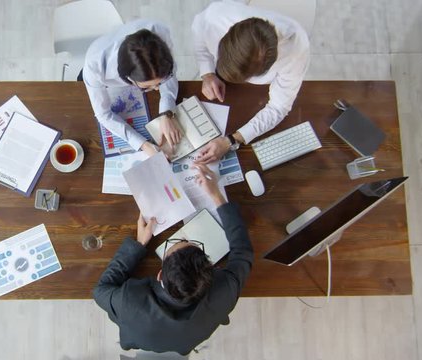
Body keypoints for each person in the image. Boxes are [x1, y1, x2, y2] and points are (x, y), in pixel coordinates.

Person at [93, 165, 254, 355]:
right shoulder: (224, 293)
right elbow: (243, 252)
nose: (184, 239)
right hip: (187, 339)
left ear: (160, 274)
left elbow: (100, 290)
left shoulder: (129, 301)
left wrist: (138, 244)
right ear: (210, 268)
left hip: (140, 337)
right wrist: (217, 196)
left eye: (179, 242)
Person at [191, 0, 310, 164]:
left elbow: (278, 107)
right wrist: (208, 73)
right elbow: (199, 34)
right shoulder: (217, 14)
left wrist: (232, 140)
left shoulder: (296, 52)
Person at [82, 19, 182, 157]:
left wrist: (166, 113)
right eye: (148, 86)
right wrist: (143, 144)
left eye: (159, 83)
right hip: (103, 83)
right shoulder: (95, 66)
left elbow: (169, 72)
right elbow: (103, 115)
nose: (157, 89)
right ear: (129, 78)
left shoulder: (159, 34)